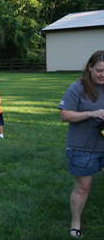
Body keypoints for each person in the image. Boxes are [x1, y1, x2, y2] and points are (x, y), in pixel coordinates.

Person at [58, 50, 104, 239]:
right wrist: (91, 114)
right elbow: (64, 115)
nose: (103, 75)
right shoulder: (77, 88)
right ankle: (75, 223)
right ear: (90, 67)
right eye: (100, 70)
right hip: (82, 147)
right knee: (83, 187)